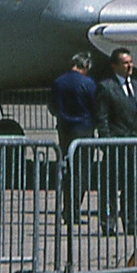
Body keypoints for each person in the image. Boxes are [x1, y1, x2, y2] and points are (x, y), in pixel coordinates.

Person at [94, 47, 137, 235]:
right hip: (116, 144)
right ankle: (108, 223)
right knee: (110, 185)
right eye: (125, 63)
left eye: (130, 62)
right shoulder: (106, 87)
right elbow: (102, 118)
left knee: (135, 185)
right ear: (115, 66)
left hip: (136, 145)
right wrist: (106, 141)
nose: (130, 66)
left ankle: (131, 221)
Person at [48, 53, 97, 225]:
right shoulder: (88, 83)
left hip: (64, 129)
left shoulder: (58, 82)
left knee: (67, 171)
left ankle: (67, 208)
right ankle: (73, 211)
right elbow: (95, 106)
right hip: (83, 130)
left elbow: (52, 106)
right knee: (81, 173)